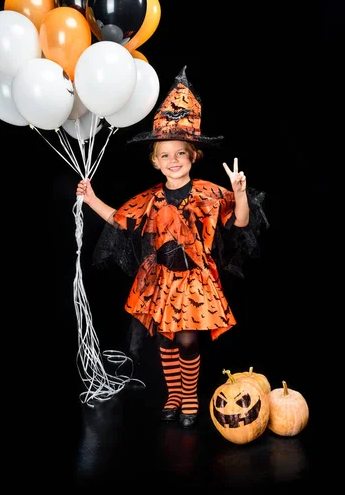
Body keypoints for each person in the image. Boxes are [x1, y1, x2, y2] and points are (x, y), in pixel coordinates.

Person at [76, 66, 268, 429]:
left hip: (194, 281)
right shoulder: (151, 197)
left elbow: (241, 222)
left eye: (180, 153)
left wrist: (240, 194)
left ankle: (190, 395)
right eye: (165, 156)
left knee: (188, 340)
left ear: (192, 156)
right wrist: (92, 199)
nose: (173, 161)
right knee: (166, 339)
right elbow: (121, 219)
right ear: (155, 161)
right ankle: (173, 395)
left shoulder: (210, 193)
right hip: (162, 280)